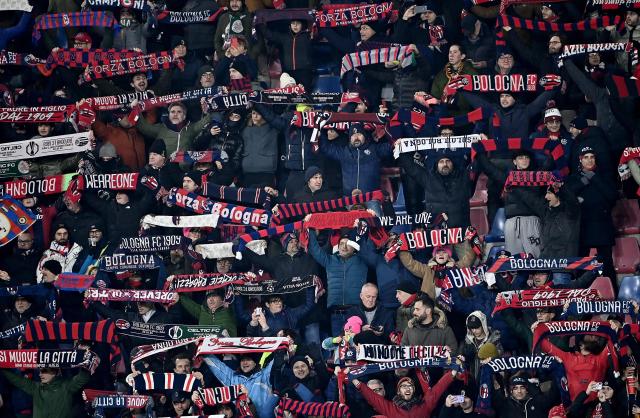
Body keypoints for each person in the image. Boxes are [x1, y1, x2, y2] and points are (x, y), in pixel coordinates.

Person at [352, 370, 458, 418]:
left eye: (410, 386)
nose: (407, 388)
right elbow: (373, 397)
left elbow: (438, 389)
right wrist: (355, 380)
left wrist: (452, 373)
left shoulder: (424, 405)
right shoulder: (391, 408)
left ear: (413, 390)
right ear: (398, 391)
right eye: (404, 386)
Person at [1, 367, 91, 418]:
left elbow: (83, 377)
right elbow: (17, 380)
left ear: (54, 373)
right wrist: (2, 368)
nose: (40, 374)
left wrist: (87, 365)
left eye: (44, 371)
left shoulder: (67, 386)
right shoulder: (36, 387)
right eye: (40, 372)